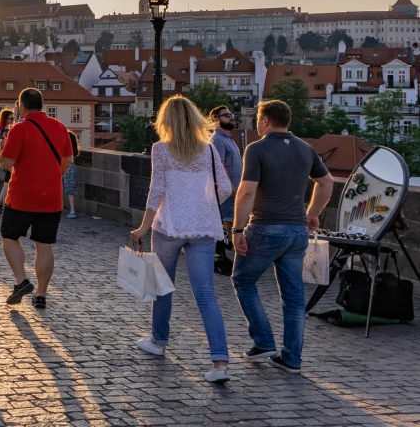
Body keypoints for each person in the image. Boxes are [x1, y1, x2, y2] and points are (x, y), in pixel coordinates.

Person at [129, 95, 233, 383]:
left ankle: (159, 342)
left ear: (167, 121)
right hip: (203, 229)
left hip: (169, 227)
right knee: (206, 294)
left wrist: (143, 228)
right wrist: (202, 205)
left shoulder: (161, 149)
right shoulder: (209, 150)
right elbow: (225, 188)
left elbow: (156, 191)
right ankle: (220, 363)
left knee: (163, 287)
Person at [231, 99, 334, 375]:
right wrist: (312, 213)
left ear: (265, 120)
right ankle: (292, 359)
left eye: (257, 119)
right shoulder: (306, 149)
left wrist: (238, 229)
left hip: (265, 227)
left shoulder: (257, 149)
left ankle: (263, 341)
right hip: (297, 231)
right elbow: (327, 183)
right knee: (294, 296)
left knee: (242, 279)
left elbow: (246, 191)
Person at [0, 88, 72, 309]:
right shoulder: (59, 127)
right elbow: (68, 160)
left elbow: (6, 163)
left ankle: (21, 281)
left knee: (9, 237)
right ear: (42, 104)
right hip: (51, 197)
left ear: (22, 107)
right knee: (44, 245)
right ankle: (41, 294)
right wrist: (52, 176)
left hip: (22, 196)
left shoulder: (19, 129)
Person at [210, 105, 242, 274]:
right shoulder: (217, 139)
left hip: (235, 189)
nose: (231, 117)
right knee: (224, 223)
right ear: (216, 119)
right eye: (227, 115)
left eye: (231, 114)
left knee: (228, 222)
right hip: (228, 190)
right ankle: (218, 258)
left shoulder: (228, 138)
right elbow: (219, 165)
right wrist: (230, 186)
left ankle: (222, 256)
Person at [0, 109, 15, 213]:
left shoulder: (0, 129)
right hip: (7, 159)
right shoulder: (7, 131)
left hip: (1, 158)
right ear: (5, 119)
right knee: (7, 182)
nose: (13, 120)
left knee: (7, 181)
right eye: (11, 118)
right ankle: (3, 205)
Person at [62, 131, 80, 218]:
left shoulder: (65, 148)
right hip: (72, 168)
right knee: (70, 191)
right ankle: (72, 210)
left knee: (59, 187)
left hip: (64, 167)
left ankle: (60, 207)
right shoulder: (74, 149)